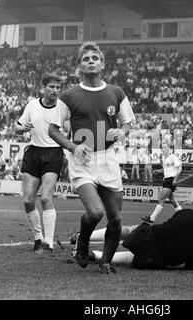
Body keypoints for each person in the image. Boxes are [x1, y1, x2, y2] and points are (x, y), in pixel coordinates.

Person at [48, 42, 136, 274]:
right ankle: (82, 245)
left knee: (115, 219)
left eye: (94, 58)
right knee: (96, 212)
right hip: (82, 161)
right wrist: (72, 147)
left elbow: (128, 123)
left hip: (108, 159)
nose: (90, 61)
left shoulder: (116, 92)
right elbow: (53, 129)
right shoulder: (68, 95)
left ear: (102, 64)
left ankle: (106, 261)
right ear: (79, 66)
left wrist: (121, 131)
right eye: (85, 58)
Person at [69, 193, 193, 270]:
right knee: (127, 258)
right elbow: (192, 266)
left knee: (127, 230)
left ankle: (82, 236)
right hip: (158, 260)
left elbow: (170, 228)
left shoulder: (186, 212)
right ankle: (93, 255)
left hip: (147, 237)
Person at [15, 72, 65, 253]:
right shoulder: (32, 105)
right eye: (51, 87)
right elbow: (17, 128)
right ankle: (38, 239)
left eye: (58, 87)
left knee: (45, 198)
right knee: (28, 200)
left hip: (53, 153)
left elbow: (69, 126)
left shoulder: (62, 107)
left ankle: (49, 243)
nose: (55, 90)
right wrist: (23, 128)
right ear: (43, 88)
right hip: (33, 152)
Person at [141, 141, 182, 224]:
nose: (163, 149)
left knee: (161, 198)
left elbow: (179, 168)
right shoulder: (164, 158)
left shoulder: (173, 157)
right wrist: (158, 171)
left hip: (171, 179)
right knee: (172, 200)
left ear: (168, 148)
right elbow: (165, 169)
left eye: (165, 147)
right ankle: (182, 215)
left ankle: (152, 218)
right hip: (166, 179)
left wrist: (175, 179)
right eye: (162, 147)